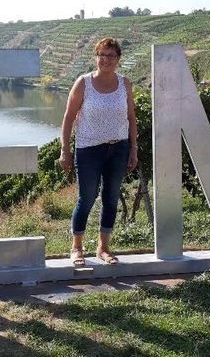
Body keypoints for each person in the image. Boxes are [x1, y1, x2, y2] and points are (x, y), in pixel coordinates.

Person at [58, 38, 138, 267]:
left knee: (111, 198)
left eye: (111, 56)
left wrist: (133, 148)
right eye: (102, 54)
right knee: (87, 198)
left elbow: (131, 117)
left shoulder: (125, 84)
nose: (106, 60)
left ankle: (103, 248)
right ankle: (76, 248)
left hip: (118, 148)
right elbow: (68, 118)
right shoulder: (83, 83)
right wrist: (65, 149)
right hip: (88, 149)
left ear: (118, 59)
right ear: (95, 57)